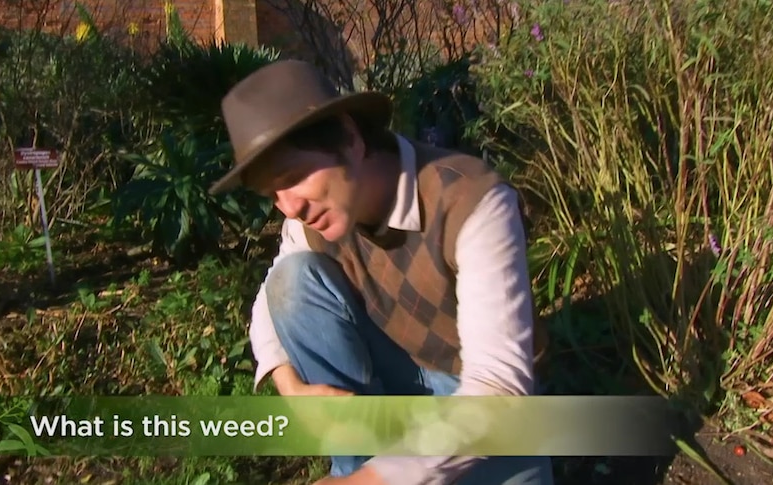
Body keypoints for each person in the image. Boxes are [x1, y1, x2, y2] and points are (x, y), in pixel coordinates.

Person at [208, 60, 553, 485]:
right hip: (398, 376)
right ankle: (358, 462)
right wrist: (290, 388)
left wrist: (376, 481)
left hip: (477, 397)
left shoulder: (473, 202)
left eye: (294, 177)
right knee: (291, 284)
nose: (289, 206)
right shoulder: (308, 220)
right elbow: (268, 303)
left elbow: (499, 387)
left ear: (350, 138)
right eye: (272, 194)